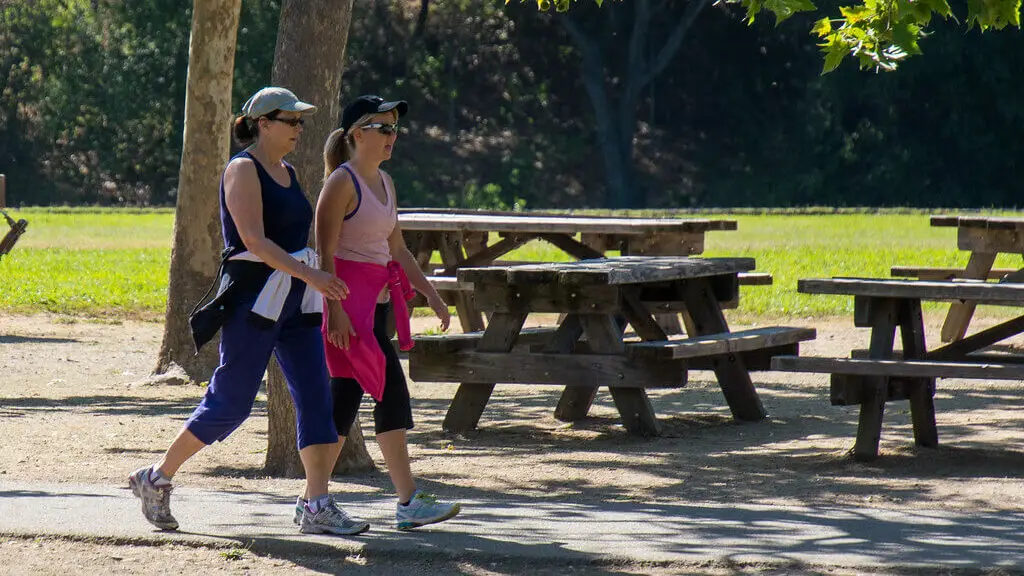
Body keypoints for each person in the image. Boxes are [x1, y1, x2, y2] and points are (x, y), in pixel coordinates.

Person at [129, 86, 370, 536]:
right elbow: (254, 241)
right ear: (263, 123)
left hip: (296, 300)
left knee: (318, 394)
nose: (300, 128)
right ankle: (156, 477)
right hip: (253, 302)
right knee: (232, 401)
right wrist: (312, 274)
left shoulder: (289, 171)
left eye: (300, 121)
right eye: (291, 121)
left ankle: (316, 503)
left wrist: (311, 278)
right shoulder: (243, 169)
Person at [311, 94, 460, 531]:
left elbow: (396, 249)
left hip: (375, 309)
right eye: (384, 127)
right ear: (358, 133)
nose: (393, 136)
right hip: (348, 311)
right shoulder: (341, 182)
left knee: (344, 403)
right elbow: (326, 253)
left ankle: (312, 501)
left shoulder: (386, 182)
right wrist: (334, 313)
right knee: (391, 394)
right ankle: (408, 500)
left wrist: (429, 293)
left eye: (395, 127)